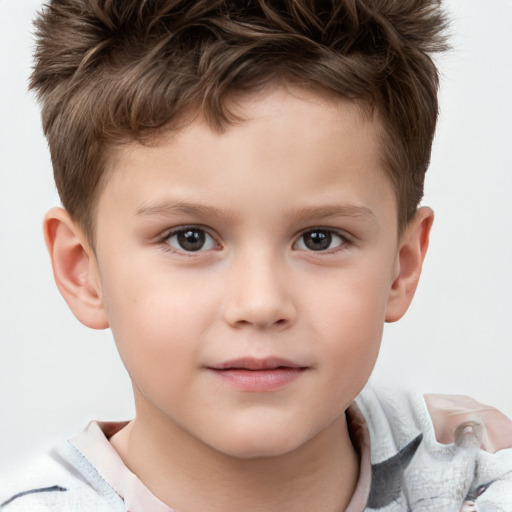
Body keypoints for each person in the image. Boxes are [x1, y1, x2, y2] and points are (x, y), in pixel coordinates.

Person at [1, 1, 511, 510]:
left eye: (320, 238)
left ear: (402, 266)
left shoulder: (478, 468)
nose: (261, 303)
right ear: (82, 270)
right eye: (190, 238)